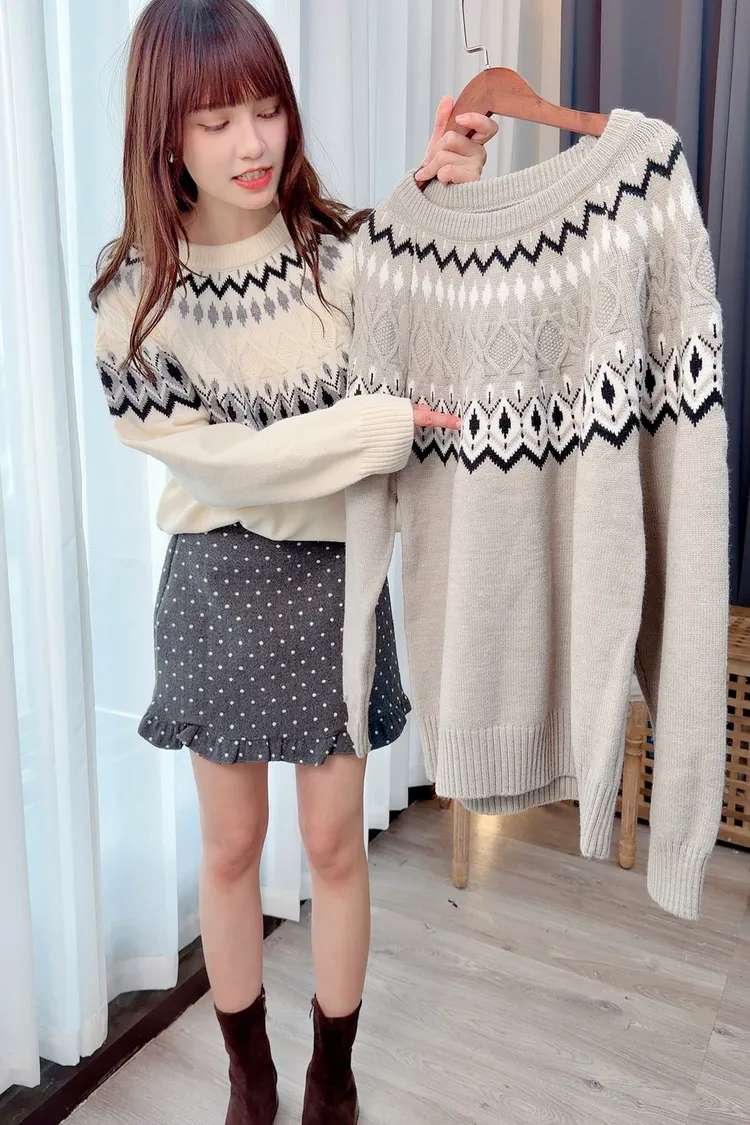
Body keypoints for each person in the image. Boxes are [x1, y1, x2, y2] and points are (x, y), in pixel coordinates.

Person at [91, 2, 497, 1122]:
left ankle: (331, 1076)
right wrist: (365, 429)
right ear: (165, 132)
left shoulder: (338, 253)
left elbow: (425, 298)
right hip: (217, 584)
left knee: (332, 846)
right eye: (217, 120)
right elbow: (220, 465)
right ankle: (249, 1079)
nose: (253, 143)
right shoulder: (134, 297)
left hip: (335, 578)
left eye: (267, 109)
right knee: (231, 850)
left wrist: (442, 191)